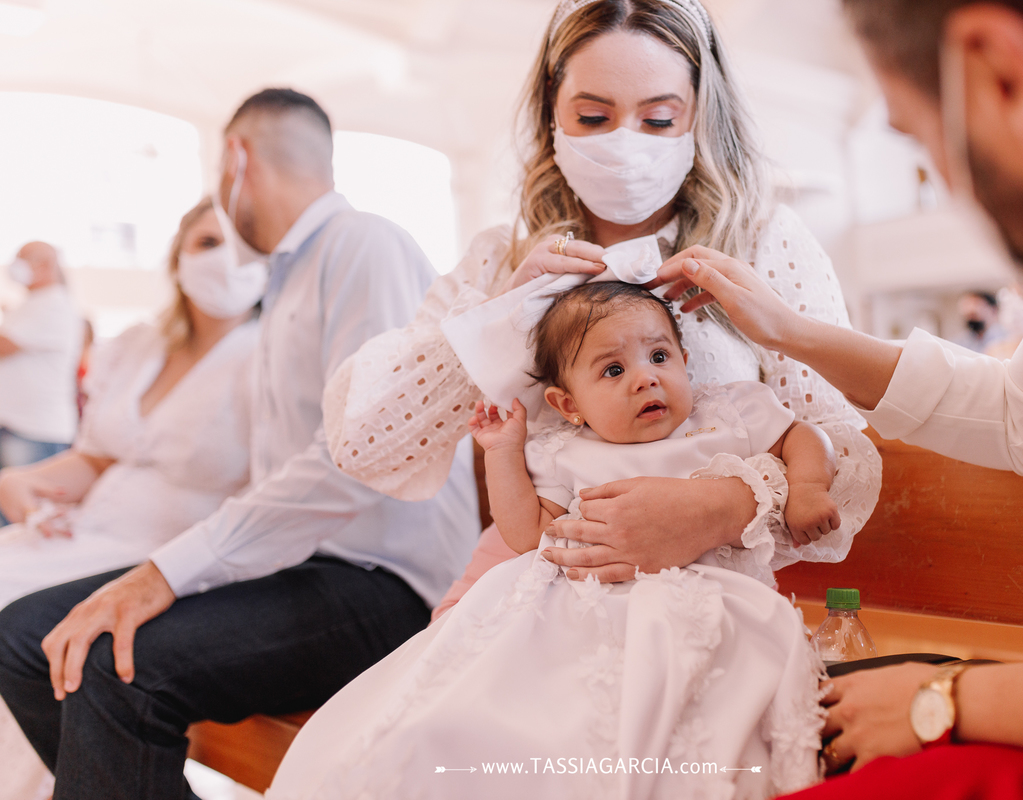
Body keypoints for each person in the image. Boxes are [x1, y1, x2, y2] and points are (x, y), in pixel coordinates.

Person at [269, 0, 879, 795]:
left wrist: (724, 504)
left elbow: (844, 449)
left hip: (707, 612)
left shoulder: (766, 241)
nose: (625, 141)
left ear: (700, 116)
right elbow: (364, 441)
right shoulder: (500, 258)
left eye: (658, 119)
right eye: (593, 117)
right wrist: (494, 324)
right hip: (541, 607)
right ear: (551, 116)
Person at [649, 1, 1023, 798]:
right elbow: (1022, 413)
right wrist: (791, 332)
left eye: (918, 141)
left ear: (1002, 78)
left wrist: (945, 698)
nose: (944, 183)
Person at [0, 88, 480, 800]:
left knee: (115, 667)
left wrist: (164, 572)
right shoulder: (285, 280)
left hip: (381, 582)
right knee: (23, 638)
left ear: (235, 160)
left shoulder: (362, 244)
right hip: (297, 568)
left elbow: (355, 461)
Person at [276, 282, 838, 799]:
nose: (645, 378)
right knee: (487, 717)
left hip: (710, 601)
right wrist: (503, 453)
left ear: (686, 362)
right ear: (569, 405)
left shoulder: (728, 413)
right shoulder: (567, 450)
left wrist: (807, 487)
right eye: (613, 370)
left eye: (659, 356)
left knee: (705, 720)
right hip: (584, 609)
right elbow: (528, 534)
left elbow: (804, 436)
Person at [0, 197, 259, 800]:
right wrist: (22, 483)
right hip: (87, 528)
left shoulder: (267, 354)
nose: (224, 260)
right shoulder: (142, 344)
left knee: (16, 612)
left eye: (241, 245)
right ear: (177, 257)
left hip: (172, 553)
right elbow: (96, 459)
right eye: (206, 243)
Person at [0, 243, 84, 476]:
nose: (15, 265)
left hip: (35, 431)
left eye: (23, 258)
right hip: (16, 425)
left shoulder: (53, 304)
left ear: (46, 265)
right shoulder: (32, 303)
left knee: (20, 497)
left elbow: (4, 345)